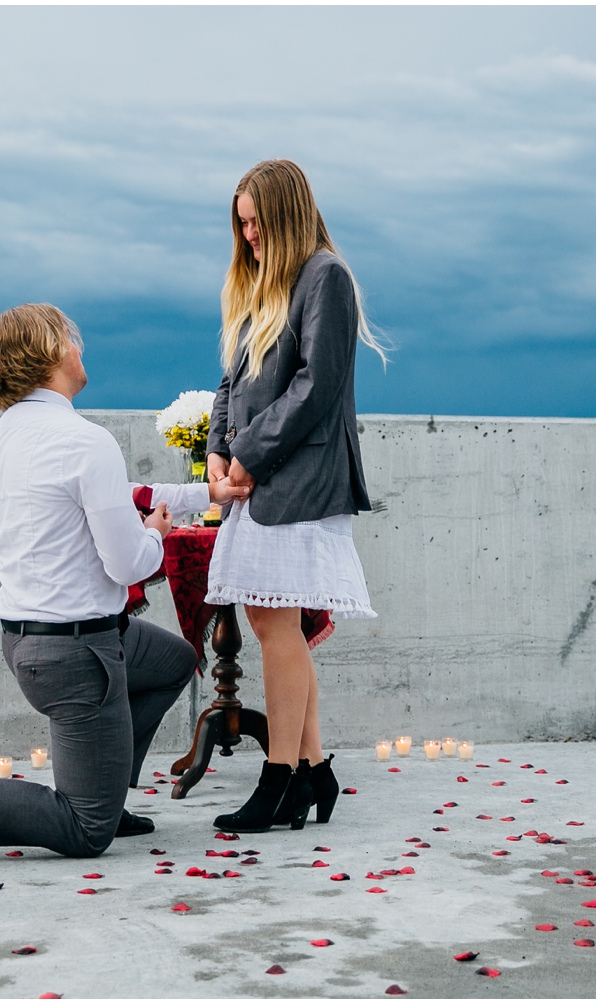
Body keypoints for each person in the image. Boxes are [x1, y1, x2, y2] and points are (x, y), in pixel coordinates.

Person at [0, 303, 250, 870]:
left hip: (30, 640)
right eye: (72, 339)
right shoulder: (83, 440)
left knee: (171, 660)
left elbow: (119, 490)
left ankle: (108, 787)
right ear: (48, 354)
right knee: (85, 827)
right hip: (78, 654)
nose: (81, 349)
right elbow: (128, 566)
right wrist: (154, 534)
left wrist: (206, 496)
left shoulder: (5, 437)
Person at [204, 159, 387, 833]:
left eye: (255, 222)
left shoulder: (325, 278)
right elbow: (231, 383)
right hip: (260, 476)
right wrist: (218, 454)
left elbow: (317, 386)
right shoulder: (260, 281)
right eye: (241, 224)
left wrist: (247, 458)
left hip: (302, 478)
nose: (247, 235)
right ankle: (312, 773)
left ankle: (281, 780)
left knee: (275, 624)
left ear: (284, 215)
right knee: (271, 624)